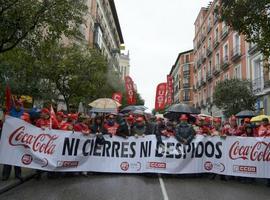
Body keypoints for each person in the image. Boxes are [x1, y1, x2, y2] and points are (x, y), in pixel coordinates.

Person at [2, 100, 23, 181]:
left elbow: (28, 125)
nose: (18, 106)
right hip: (9, 138)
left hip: (19, 139)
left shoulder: (25, 114)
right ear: (15, 105)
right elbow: (3, 122)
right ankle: (5, 175)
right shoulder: (10, 113)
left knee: (17, 157)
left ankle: (18, 174)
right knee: (8, 157)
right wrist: (4, 113)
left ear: (21, 106)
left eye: (19, 105)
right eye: (17, 105)